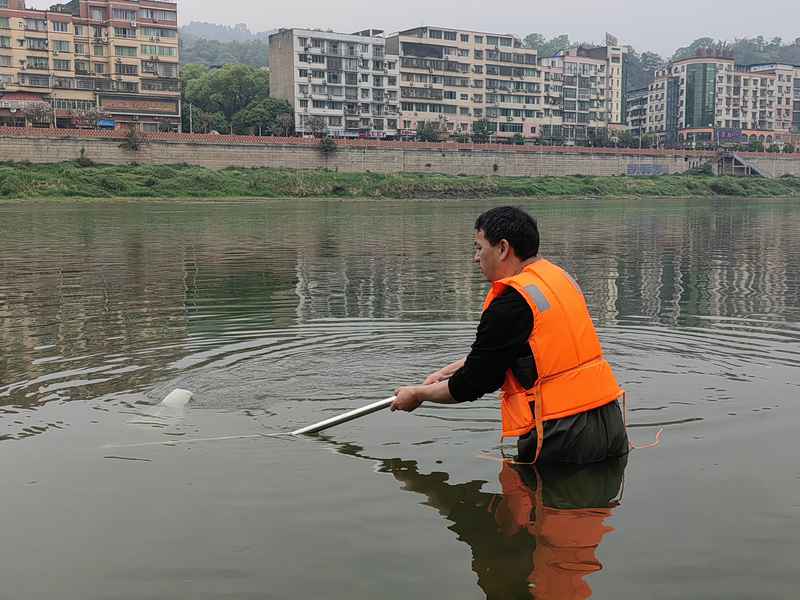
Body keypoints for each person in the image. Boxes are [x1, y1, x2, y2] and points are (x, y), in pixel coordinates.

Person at [391, 206, 629, 464]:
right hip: (609, 420)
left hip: (564, 433)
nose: (475, 258)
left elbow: (473, 384)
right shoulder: (558, 279)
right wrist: (448, 371)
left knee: (540, 503)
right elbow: (531, 347)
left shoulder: (512, 303)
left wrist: (417, 394)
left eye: (479, 248)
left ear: (503, 248)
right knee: (593, 503)